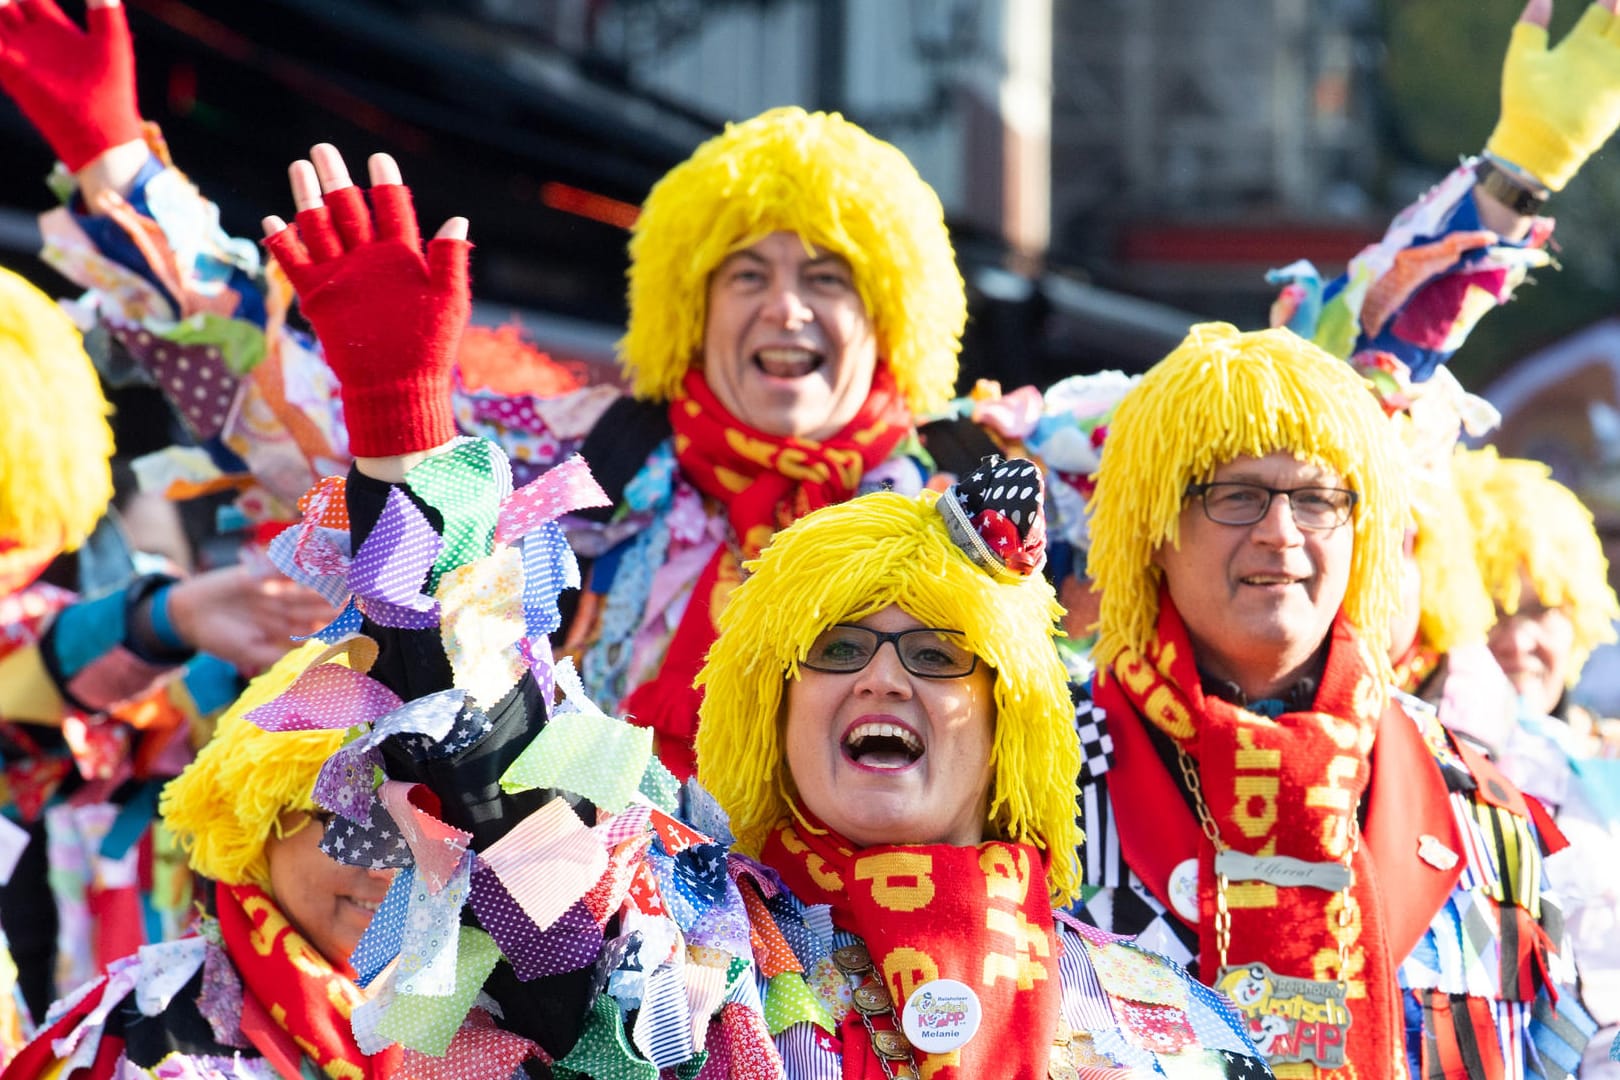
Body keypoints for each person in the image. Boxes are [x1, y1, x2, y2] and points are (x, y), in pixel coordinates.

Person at [1073, 322, 1586, 1078]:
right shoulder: (1036, 778)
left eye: (1317, 499)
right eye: (1236, 495)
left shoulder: (1484, 809)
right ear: (1152, 525)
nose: (1281, 533)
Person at [693, 457, 1274, 1077]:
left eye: (934, 654)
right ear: (774, 710)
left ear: (1010, 717)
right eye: (838, 648)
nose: (882, 680)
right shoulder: (675, 966)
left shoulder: (1173, 1019)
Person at [0, 639, 399, 1079]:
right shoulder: (144, 1029)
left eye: (431, 828)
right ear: (262, 818)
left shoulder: (483, 1009)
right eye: (350, 821)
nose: (387, 868)